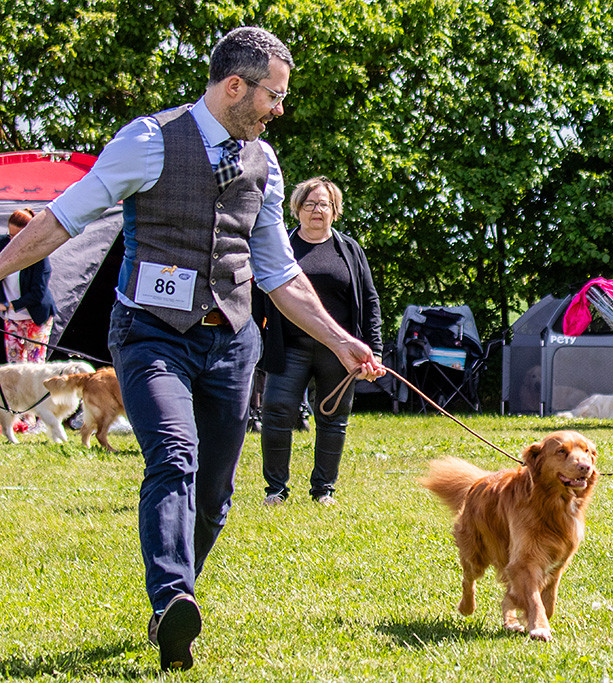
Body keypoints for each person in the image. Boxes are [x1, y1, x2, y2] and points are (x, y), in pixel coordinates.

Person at [0, 27, 385, 672]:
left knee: (214, 493)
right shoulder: (148, 140)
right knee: (173, 456)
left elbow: (279, 273)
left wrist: (343, 341)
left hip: (232, 342)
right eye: (274, 95)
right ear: (235, 86)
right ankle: (173, 599)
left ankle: (177, 592)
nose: (279, 109)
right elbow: (65, 218)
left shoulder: (264, 163)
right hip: (151, 334)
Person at [260, 176, 383, 507]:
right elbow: (260, 297)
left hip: (338, 352)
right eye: (310, 204)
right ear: (297, 209)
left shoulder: (350, 250)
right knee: (276, 412)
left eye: (324, 204)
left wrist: (376, 351)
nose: (317, 210)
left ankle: (323, 490)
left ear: (335, 211)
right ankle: (276, 489)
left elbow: (370, 302)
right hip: (289, 348)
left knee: (333, 418)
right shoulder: (281, 248)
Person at [0, 209, 56, 363]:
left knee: (34, 366)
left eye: (17, 237)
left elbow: (37, 293)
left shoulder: (39, 255)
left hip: (35, 317)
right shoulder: (2, 245)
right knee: (14, 367)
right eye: (10, 235)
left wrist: (7, 305)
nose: (13, 241)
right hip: (11, 319)